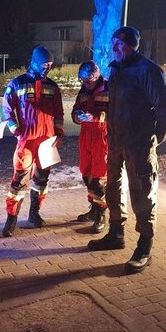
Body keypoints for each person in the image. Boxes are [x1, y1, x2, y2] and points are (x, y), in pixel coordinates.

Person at [87, 26, 166, 274]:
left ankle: (145, 246)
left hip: (139, 143)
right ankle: (116, 233)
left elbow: (164, 108)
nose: (114, 47)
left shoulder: (148, 70)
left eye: (120, 43)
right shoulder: (116, 69)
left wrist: (154, 139)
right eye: (113, 42)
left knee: (142, 193)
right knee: (113, 188)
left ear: (132, 46)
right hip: (116, 142)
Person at [1, 45, 64, 237]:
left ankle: (34, 214)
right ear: (34, 62)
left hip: (47, 141)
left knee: (42, 180)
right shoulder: (17, 84)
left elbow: (59, 112)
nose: (47, 68)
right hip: (27, 140)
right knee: (19, 179)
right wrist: (15, 129)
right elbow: (7, 109)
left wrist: (59, 133)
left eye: (50, 65)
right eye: (44, 65)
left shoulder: (52, 87)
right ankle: (11, 219)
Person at [71, 61, 109, 233]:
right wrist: (77, 116)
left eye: (88, 80)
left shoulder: (109, 89)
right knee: (87, 174)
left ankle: (101, 214)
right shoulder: (84, 90)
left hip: (102, 137)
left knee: (99, 177)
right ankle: (93, 209)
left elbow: (117, 112)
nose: (85, 83)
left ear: (96, 76)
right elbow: (75, 109)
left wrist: (97, 117)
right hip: (86, 137)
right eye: (83, 80)